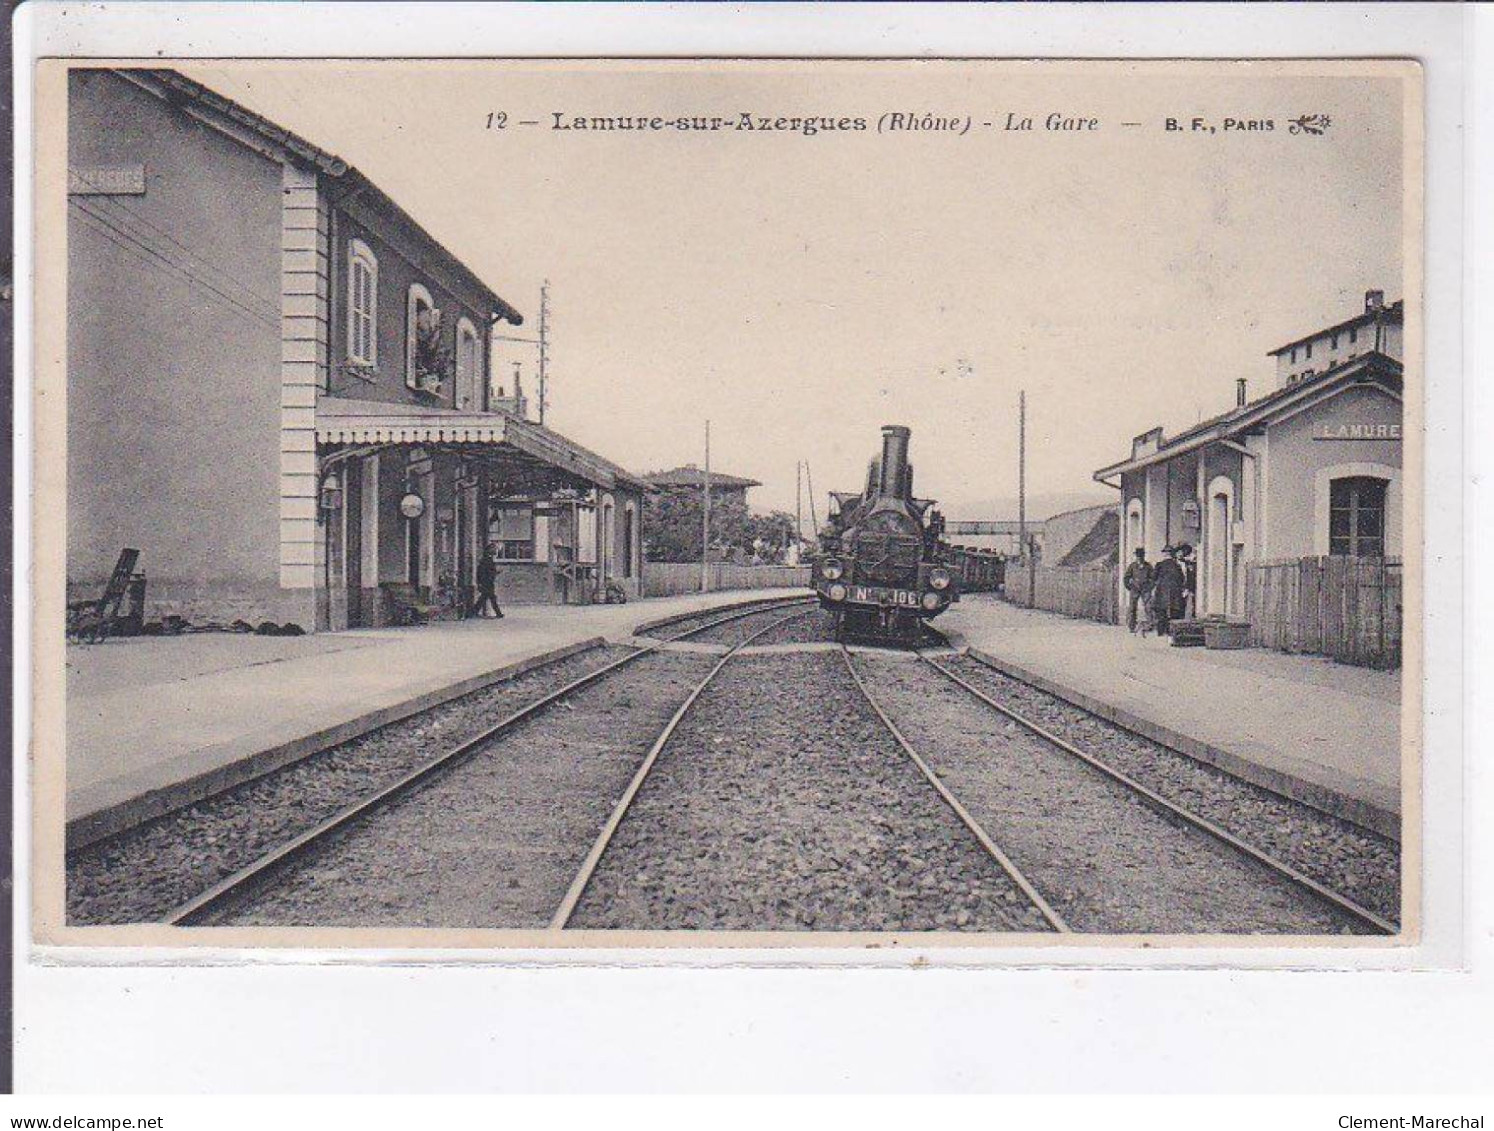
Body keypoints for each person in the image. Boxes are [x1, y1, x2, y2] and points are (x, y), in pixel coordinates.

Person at [1151, 545, 1187, 637]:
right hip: (1175, 592)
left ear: (1164, 554)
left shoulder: (1159, 565)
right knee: (1175, 611)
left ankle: (1161, 631)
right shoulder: (1177, 566)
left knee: (1161, 612)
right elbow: (1182, 578)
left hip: (1161, 592)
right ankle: (1172, 632)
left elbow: (1153, 577)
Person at [1123, 547, 1153, 633]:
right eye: (1138, 556)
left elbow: (1153, 578)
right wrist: (1129, 586)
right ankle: (1131, 626)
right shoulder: (1132, 566)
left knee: (1148, 607)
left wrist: (1149, 587)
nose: (1139, 558)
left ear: (1143, 556)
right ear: (1136, 557)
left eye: (1141, 556)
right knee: (1132, 607)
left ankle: (1149, 625)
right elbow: (1126, 577)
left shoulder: (1148, 566)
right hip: (1135, 589)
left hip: (1145, 589)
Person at [470, 544, 504, 619]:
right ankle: (498, 613)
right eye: (494, 549)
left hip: (487, 582)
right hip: (487, 582)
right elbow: (485, 571)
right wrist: (495, 572)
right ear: (489, 550)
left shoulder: (487, 559)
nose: (496, 550)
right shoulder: (487, 559)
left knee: (484, 598)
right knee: (490, 598)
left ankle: (473, 612)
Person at [1176, 542, 1198, 619]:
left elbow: (1191, 575)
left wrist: (1189, 587)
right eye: (1180, 552)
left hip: (1188, 586)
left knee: (1191, 603)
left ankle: (1192, 616)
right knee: (1180, 604)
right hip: (1179, 587)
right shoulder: (1175, 563)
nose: (1182, 554)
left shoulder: (1189, 563)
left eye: (1184, 552)